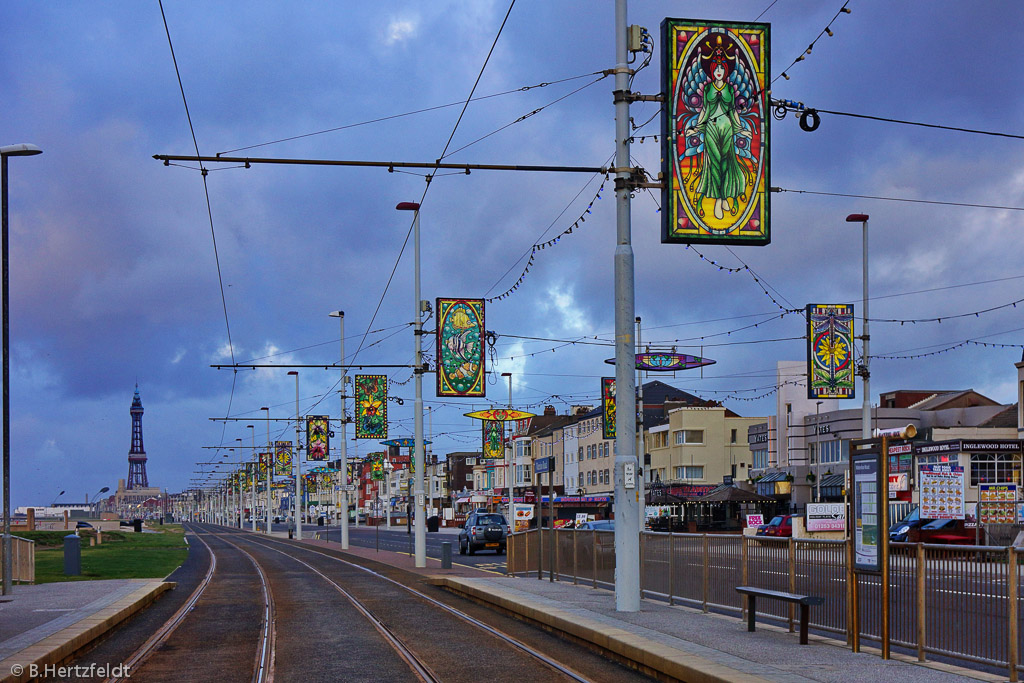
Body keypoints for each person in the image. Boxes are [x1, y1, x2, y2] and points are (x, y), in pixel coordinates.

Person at [685, 42, 752, 220]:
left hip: (728, 128)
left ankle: (722, 197)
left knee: (726, 163)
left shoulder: (730, 88)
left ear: (725, 71)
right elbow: (704, 111)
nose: (719, 72)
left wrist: (740, 130)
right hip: (710, 130)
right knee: (714, 164)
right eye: (716, 69)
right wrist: (696, 128)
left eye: (722, 69)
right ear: (712, 71)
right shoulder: (708, 88)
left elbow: (734, 112)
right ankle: (718, 201)